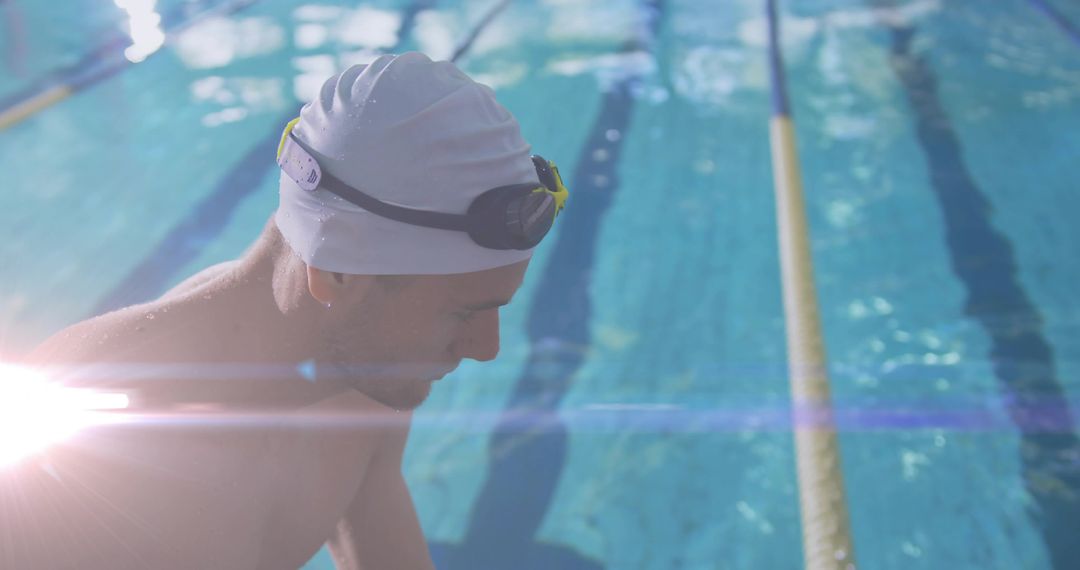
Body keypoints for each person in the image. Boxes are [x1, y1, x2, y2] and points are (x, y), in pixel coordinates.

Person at [3, 51, 568, 570]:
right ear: (337, 271)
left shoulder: (369, 376)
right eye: (461, 314)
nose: (486, 349)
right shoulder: (78, 447)